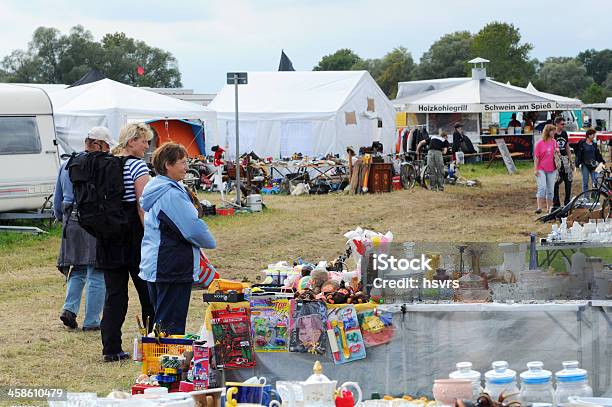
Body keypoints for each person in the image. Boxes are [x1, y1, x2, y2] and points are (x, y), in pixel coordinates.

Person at [139, 143, 216, 335]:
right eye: (182, 162)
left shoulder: (156, 188)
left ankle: (160, 360)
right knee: (169, 327)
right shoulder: (170, 194)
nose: (186, 166)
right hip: (170, 266)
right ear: (167, 165)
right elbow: (191, 228)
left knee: (161, 322)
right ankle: (166, 362)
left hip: (157, 264)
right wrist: (209, 241)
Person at [99, 123, 155, 362]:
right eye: (144, 141)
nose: (146, 146)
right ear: (131, 141)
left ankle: (111, 348)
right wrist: (150, 235)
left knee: (114, 295)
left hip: (108, 235)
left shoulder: (106, 162)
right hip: (133, 235)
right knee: (148, 292)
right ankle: (154, 343)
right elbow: (143, 205)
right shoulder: (136, 165)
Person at [54, 127, 113, 331]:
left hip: (71, 220)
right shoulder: (102, 164)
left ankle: (69, 309)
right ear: (98, 144)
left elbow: (57, 200)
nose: (108, 150)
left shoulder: (67, 164)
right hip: (94, 222)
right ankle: (92, 321)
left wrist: (64, 220)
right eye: (107, 146)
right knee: (96, 271)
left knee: (77, 268)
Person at [534, 124, 560, 214]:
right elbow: (536, 157)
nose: (554, 132)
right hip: (541, 168)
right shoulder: (540, 143)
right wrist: (535, 169)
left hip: (552, 169)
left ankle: (549, 208)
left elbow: (557, 155)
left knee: (550, 190)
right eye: (552, 131)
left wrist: (557, 152)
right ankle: (539, 207)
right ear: (547, 132)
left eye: (554, 130)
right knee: (542, 187)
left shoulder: (554, 142)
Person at [552, 117, 574, 209]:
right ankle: (556, 203)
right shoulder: (553, 134)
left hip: (565, 159)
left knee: (568, 180)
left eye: (564, 124)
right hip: (556, 159)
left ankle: (567, 202)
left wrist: (571, 160)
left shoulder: (564, 133)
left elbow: (567, 147)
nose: (563, 125)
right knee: (555, 182)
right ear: (556, 124)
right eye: (562, 124)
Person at [575, 128, 606, 192]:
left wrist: (602, 161)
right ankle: (586, 198)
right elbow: (577, 152)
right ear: (589, 135)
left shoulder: (594, 144)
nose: (594, 136)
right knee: (585, 182)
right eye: (593, 135)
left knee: (595, 182)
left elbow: (598, 154)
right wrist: (577, 163)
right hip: (585, 165)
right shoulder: (582, 143)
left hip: (594, 165)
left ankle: (594, 198)